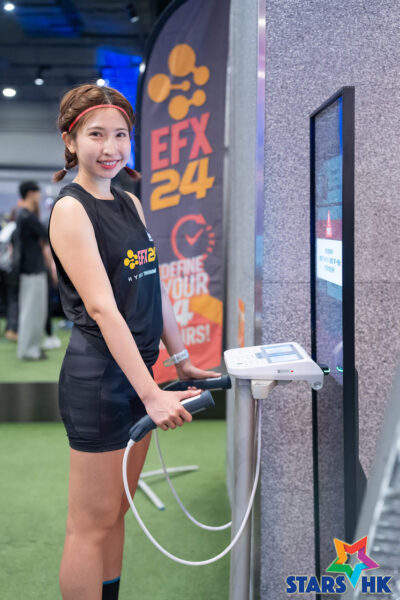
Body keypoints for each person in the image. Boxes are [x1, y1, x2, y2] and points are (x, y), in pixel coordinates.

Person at [48, 83, 222, 600]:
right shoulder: (71, 209)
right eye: (96, 135)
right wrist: (151, 394)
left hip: (138, 375)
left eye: (121, 135)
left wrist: (181, 359)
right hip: (101, 382)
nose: (111, 148)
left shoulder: (129, 202)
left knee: (117, 511)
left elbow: (151, 286)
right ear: (70, 141)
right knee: (89, 525)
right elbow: (103, 308)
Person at [16, 180, 57, 360]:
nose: (40, 196)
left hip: (31, 269)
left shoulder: (23, 215)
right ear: (31, 193)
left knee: (34, 311)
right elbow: (46, 234)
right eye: (38, 192)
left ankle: (31, 349)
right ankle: (28, 351)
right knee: (31, 312)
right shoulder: (27, 216)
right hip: (31, 270)